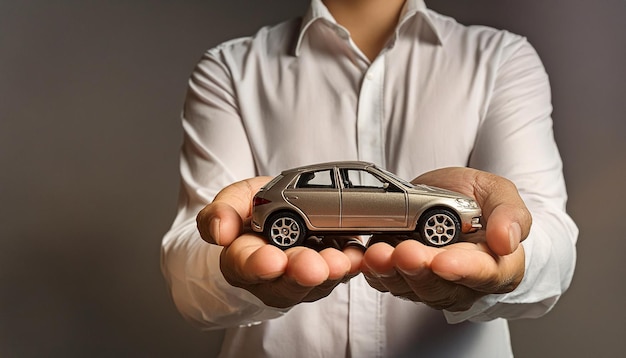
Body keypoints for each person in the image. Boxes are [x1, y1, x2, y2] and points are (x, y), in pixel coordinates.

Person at [161, 0, 578, 356]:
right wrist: (237, 269)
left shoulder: (501, 57)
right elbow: (187, 267)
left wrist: (515, 258)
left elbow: (552, 242)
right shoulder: (229, 69)